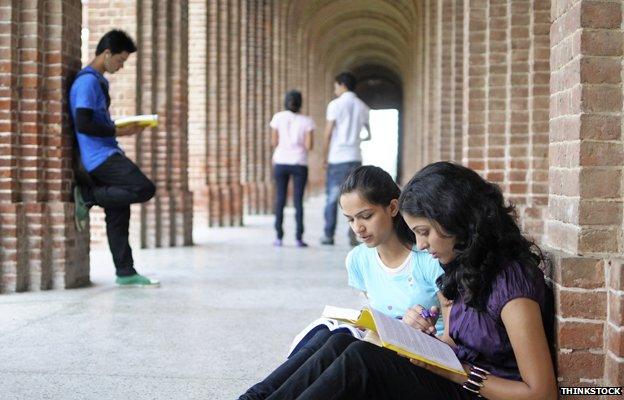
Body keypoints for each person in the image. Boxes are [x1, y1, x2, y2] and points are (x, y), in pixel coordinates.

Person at [257, 162, 557, 400]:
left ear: (457, 220)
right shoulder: (466, 266)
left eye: (425, 232)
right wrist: (421, 342)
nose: (421, 245)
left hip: (477, 392)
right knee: (339, 341)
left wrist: (458, 373)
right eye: (415, 233)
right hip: (454, 380)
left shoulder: (511, 284)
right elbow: (456, 340)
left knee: (362, 361)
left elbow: (541, 393)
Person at [239, 166, 444, 400]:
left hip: (419, 359)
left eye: (366, 216)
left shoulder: (429, 259)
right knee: (332, 335)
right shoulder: (358, 260)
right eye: (351, 220)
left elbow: (454, 333)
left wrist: (417, 327)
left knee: (350, 350)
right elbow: (377, 318)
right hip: (383, 346)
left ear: (393, 207)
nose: (358, 227)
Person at [69, 29, 159, 287]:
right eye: (120, 60)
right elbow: (84, 124)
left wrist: (123, 127)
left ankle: (126, 272)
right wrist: (120, 129)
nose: (121, 66)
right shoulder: (86, 82)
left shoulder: (98, 81)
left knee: (119, 214)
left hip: (107, 151)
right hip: (99, 157)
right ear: (106, 54)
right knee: (143, 188)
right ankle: (88, 196)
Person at [320, 72, 371, 246]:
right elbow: (368, 134)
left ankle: (328, 235)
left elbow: (327, 133)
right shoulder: (363, 106)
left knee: (332, 198)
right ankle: (353, 234)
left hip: (337, 157)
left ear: (342, 85)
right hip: (355, 157)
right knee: (355, 197)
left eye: (336, 86)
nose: (335, 90)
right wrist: (356, 139)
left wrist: (324, 157)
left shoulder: (335, 105)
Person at [270, 91, 315, 247]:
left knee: (280, 199)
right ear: (300, 102)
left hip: (281, 162)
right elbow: (309, 146)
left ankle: (279, 237)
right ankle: (298, 238)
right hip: (299, 162)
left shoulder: (278, 117)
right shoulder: (307, 121)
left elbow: (274, 141)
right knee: (298, 201)